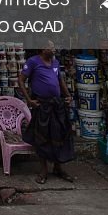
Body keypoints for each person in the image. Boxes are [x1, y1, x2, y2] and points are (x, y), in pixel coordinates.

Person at [19, 41, 74, 184]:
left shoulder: (55, 63)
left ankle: (58, 166)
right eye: (50, 47)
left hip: (57, 103)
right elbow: (21, 80)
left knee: (60, 135)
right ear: (42, 49)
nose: (54, 49)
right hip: (42, 104)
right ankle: (43, 170)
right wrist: (29, 100)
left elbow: (59, 80)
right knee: (42, 137)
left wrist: (68, 96)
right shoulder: (33, 62)